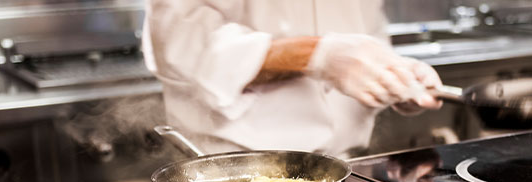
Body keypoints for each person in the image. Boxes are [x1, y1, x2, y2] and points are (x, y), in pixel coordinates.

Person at [142, 0, 443, 157]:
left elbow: (368, 33)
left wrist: (395, 76)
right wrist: (316, 55)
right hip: (232, 179)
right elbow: (182, 47)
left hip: (349, 172)